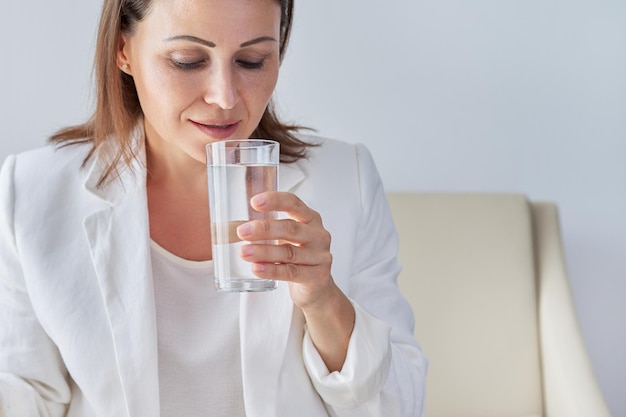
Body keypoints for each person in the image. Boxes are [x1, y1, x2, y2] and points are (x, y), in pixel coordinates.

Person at [0, 0, 427, 416]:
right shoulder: (34, 192)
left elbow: (397, 406)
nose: (224, 97)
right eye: (188, 60)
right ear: (124, 50)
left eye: (253, 60)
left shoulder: (344, 179)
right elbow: (25, 393)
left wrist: (323, 301)